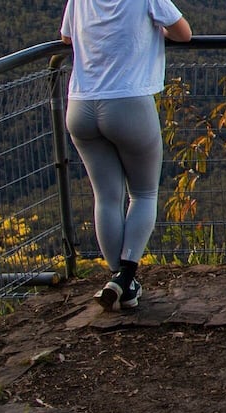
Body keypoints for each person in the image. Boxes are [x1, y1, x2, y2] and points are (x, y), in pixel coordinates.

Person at [61, 0, 191, 311]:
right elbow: (183, 33)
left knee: (106, 197)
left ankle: (122, 284)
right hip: (128, 102)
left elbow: (67, 38)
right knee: (144, 194)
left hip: (80, 104)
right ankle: (124, 275)